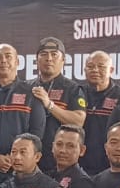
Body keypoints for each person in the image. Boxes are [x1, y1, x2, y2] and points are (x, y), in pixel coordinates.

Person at [0, 43, 45, 183]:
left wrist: (16, 157)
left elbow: (37, 132)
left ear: (17, 61)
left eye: (8, 56)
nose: (3, 61)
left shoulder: (32, 94)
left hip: (21, 172)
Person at [29, 38, 87, 167]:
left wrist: (50, 105)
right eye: (44, 54)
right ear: (36, 60)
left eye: (54, 54)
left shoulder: (72, 88)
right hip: (30, 159)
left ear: (63, 60)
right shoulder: (27, 87)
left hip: (59, 160)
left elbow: (78, 121)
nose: (49, 59)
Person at [80, 51, 120, 173]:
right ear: (84, 70)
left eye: (101, 66)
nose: (95, 70)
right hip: (79, 165)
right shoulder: (78, 93)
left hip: (109, 167)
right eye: (90, 66)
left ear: (111, 70)